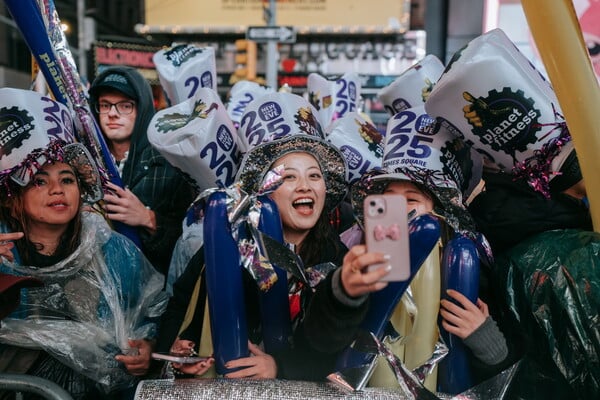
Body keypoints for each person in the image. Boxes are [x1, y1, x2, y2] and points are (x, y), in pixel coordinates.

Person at [154, 98, 391, 380]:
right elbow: (181, 305)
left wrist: (280, 367)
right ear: (264, 191)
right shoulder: (228, 245)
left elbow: (332, 343)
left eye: (315, 176)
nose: (305, 185)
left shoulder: (335, 255)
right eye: (288, 177)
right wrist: (179, 352)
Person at [302, 107, 513, 393]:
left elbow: (500, 371)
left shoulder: (469, 269)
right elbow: (320, 341)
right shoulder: (354, 256)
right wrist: (344, 292)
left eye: (412, 198)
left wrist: (485, 337)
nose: (399, 209)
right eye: (389, 199)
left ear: (440, 214)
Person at [0, 88, 167, 399]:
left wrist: (148, 348)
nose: (57, 190)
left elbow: (151, 313)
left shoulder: (112, 250)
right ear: (13, 199)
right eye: (39, 181)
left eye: (67, 179)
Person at [88, 66, 197, 276]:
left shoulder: (170, 163)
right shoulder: (87, 162)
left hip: (153, 290)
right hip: (96, 283)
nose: (112, 113)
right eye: (105, 105)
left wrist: (148, 218)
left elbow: (189, 243)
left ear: (143, 108)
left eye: (125, 106)